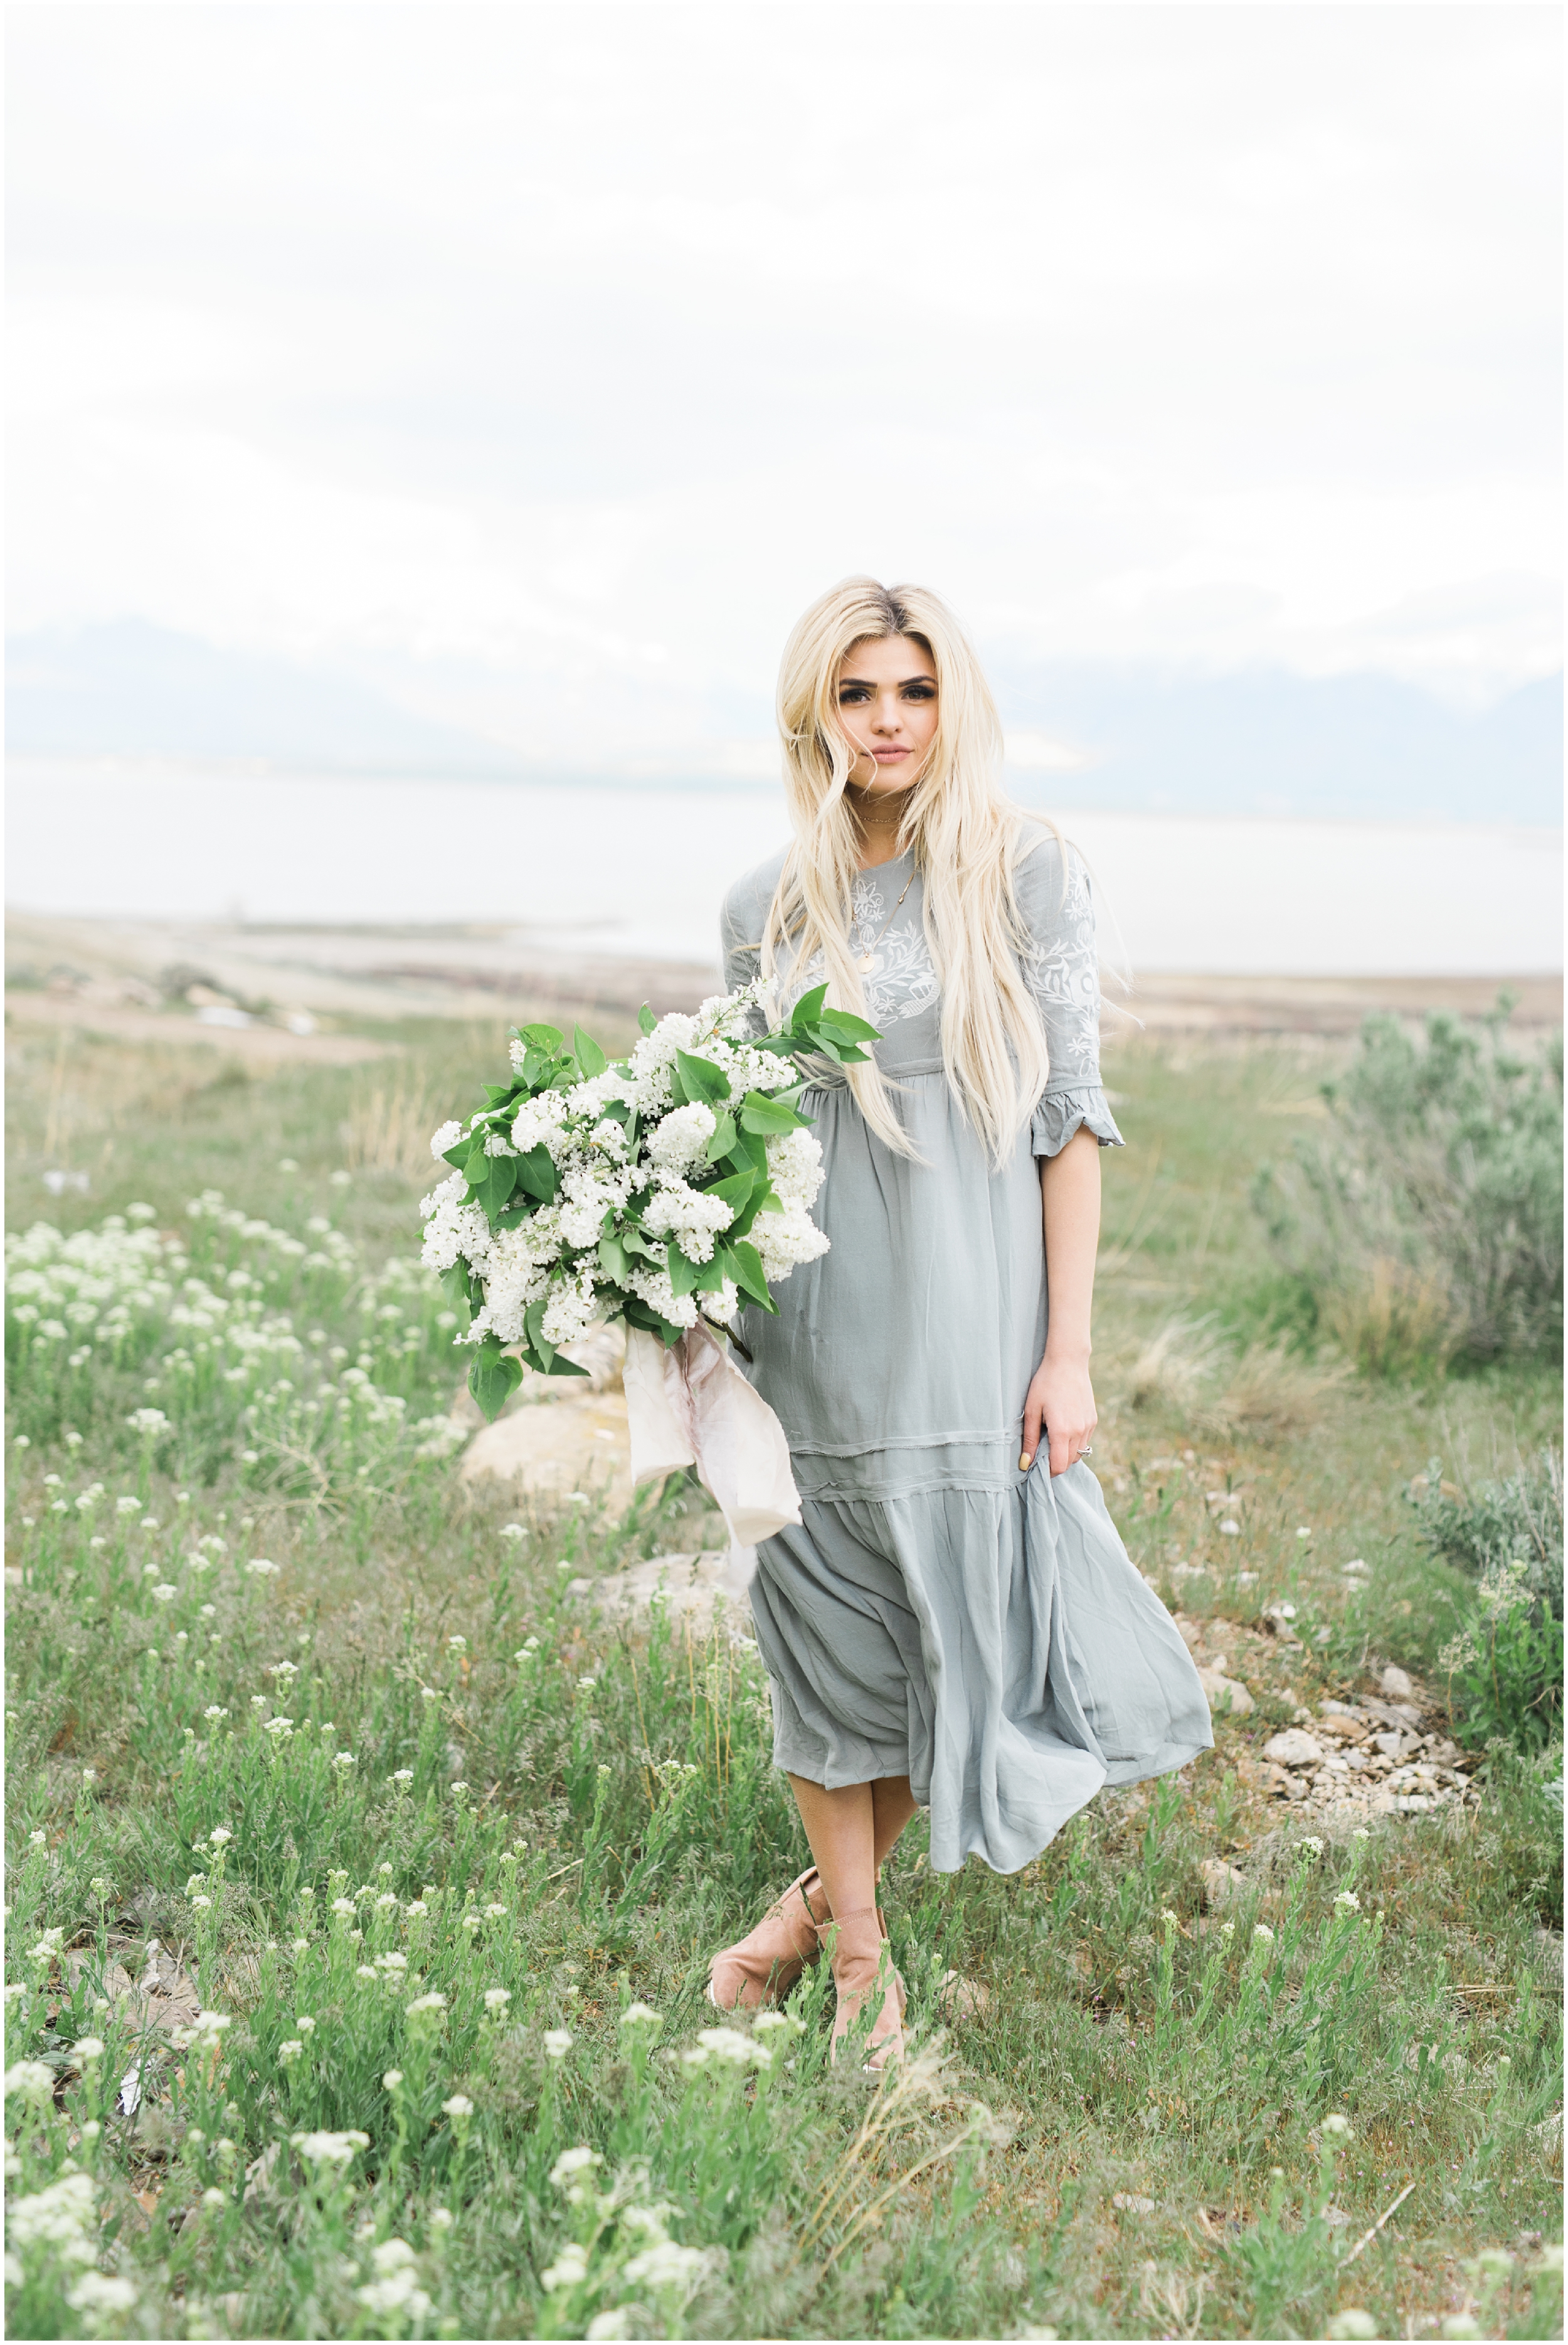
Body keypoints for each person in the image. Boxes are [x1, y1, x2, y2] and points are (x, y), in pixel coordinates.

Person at [706, 578, 1212, 2068]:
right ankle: (860, 1965)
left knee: (968, 1634)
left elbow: (1067, 1117)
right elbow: (726, 1133)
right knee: (819, 1634)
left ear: (951, 706)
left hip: (970, 1317)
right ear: (816, 710)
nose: (885, 722)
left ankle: (807, 1904)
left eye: (911, 692)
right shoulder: (761, 908)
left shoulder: (1023, 872)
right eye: (857, 694)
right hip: (801, 1322)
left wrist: (1068, 1351)